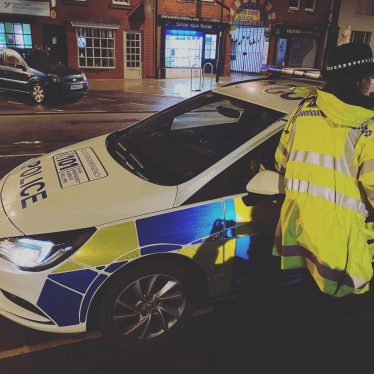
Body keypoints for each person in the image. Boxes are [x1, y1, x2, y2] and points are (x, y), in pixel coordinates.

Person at [272, 43, 374, 370]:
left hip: (301, 226)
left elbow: (281, 159)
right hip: (341, 239)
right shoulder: (368, 124)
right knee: (334, 319)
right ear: (361, 80)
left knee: (309, 306)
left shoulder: (305, 109)